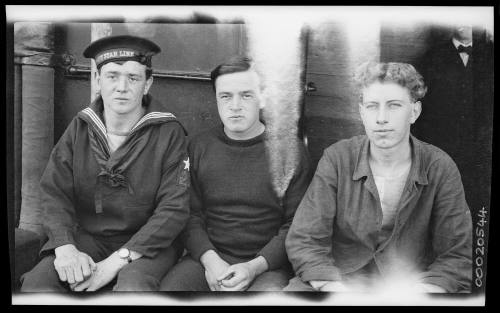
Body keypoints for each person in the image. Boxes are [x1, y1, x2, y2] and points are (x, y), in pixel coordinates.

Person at [20, 35, 190, 292]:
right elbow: (54, 193)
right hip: (89, 237)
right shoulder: (80, 126)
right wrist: (65, 248)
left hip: (148, 244)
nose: (122, 86)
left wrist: (113, 264)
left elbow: (174, 209)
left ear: (147, 84)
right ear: (98, 80)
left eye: (133, 78)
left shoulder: (169, 132)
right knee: (38, 283)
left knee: (132, 287)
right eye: (112, 76)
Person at [284, 61, 472, 293]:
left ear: (414, 112)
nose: (381, 118)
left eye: (393, 106)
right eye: (372, 106)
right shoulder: (337, 158)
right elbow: (305, 238)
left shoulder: (440, 166)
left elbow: (457, 253)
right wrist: (333, 288)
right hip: (340, 279)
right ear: (362, 113)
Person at [159, 56, 312, 291]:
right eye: (226, 96)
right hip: (208, 259)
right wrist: (211, 262)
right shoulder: (197, 148)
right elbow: (188, 214)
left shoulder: (290, 152)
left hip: (266, 266)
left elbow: (296, 225)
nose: (235, 105)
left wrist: (253, 268)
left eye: (246, 95)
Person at [413, 25, 493, 281]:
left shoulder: (490, 55)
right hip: (443, 152)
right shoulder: (429, 58)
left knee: (478, 212)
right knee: (440, 211)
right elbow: (419, 114)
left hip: (482, 157)